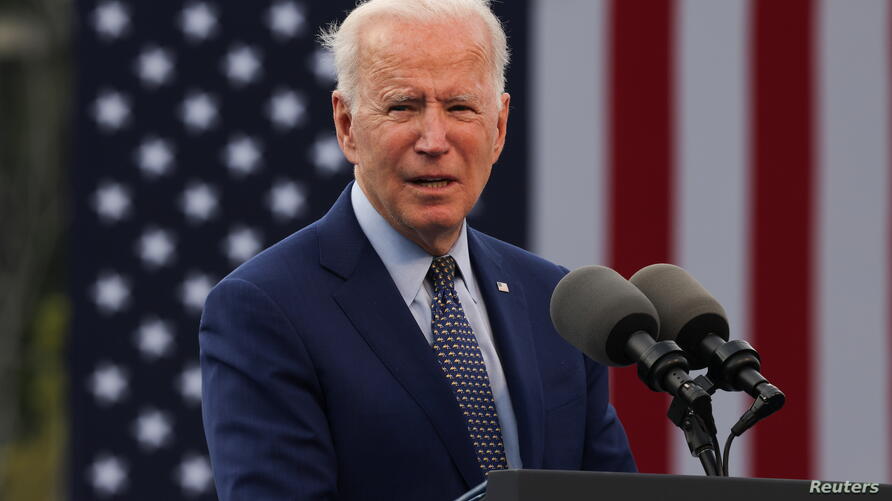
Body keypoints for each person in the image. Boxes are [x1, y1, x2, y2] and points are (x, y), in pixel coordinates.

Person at [199, 1, 636, 499]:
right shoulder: (264, 309)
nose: (434, 139)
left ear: (498, 126)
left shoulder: (557, 301)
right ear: (346, 125)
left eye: (460, 108)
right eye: (402, 106)